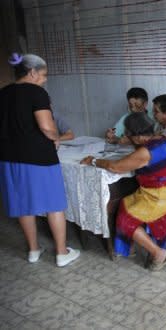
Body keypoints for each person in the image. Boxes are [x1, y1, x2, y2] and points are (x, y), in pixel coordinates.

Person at [0, 53, 80, 267]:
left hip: (8, 158)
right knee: (54, 204)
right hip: (38, 157)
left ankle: (33, 250)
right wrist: (56, 137)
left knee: (22, 205)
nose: (45, 79)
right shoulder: (37, 93)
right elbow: (46, 127)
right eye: (44, 75)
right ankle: (62, 253)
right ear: (32, 72)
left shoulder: (3, 93)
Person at [81, 112, 166, 271]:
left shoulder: (144, 152)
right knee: (125, 202)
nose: (126, 136)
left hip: (163, 196)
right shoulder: (162, 139)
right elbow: (139, 150)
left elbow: (115, 167)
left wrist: (93, 160)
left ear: (137, 137)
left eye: (128, 134)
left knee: (126, 219)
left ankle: (158, 253)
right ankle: (129, 246)